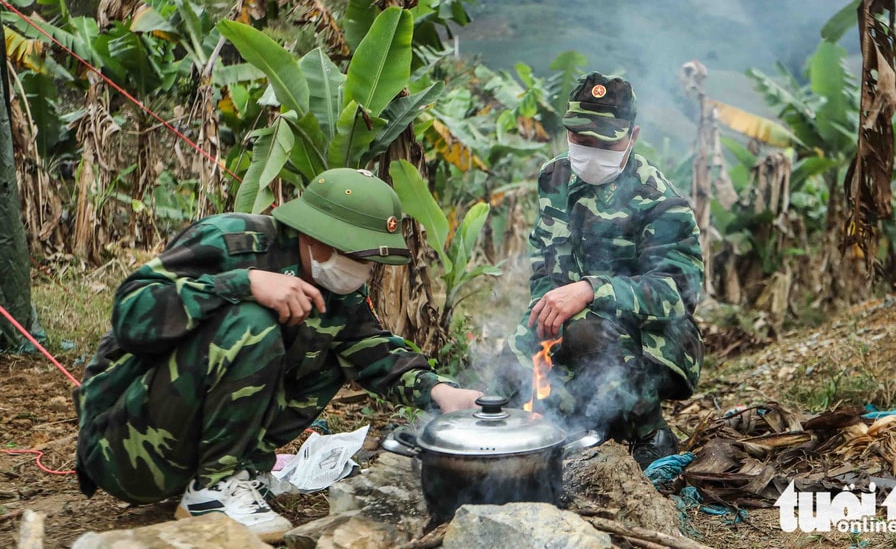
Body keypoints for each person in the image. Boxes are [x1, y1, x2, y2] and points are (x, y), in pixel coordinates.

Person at [73, 168, 482, 542]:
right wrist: (243, 283)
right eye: (357, 256)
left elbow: (372, 349)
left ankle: (239, 468)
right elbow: (131, 312)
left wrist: (441, 392)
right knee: (254, 324)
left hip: (182, 454)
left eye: (370, 261)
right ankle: (214, 487)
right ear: (316, 235)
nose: (364, 269)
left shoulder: (339, 293)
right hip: (125, 446)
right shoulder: (231, 241)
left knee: (335, 350)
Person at [496, 72, 704, 469]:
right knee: (509, 373)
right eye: (580, 138)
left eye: (605, 142)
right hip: (577, 318)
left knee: (589, 328)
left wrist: (592, 289)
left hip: (657, 335)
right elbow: (546, 262)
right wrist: (541, 318)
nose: (590, 151)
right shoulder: (554, 177)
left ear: (633, 136)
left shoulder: (660, 200)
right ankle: (580, 414)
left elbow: (680, 293)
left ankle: (650, 432)